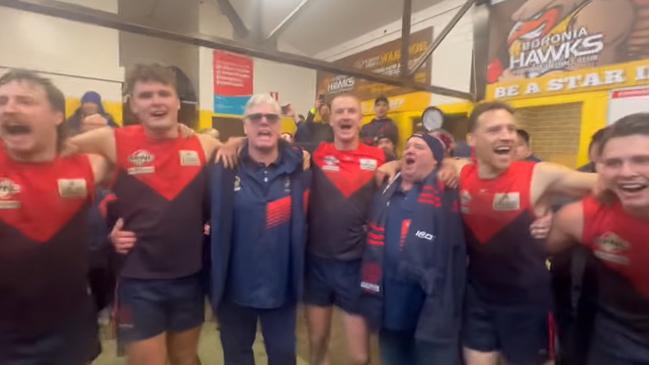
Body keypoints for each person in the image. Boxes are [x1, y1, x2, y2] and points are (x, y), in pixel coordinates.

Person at [376, 101, 596, 365]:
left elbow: (606, 186)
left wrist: (557, 216)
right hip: (478, 302)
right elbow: (427, 160)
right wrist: (392, 165)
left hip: (527, 305)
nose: (506, 136)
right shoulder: (460, 170)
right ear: (472, 139)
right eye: (494, 130)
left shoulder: (540, 175)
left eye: (511, 129)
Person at [71, 63, 222, 365]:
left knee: (186, 358)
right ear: (133, 104)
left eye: (164, 93)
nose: (156, 101)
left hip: (189, 280)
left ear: (178, 102)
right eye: (146, 95)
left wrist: (300, 153)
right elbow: (57, 150)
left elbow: (237, 149)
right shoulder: (112, 141)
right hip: (138, 283)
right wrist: (107, 231)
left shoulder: (202, 144)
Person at [0, 69, 110, 364]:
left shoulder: (86, 165)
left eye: (25, 100)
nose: (9, 107)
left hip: (69, 327)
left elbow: (122, 146)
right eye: (2, 101)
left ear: (57, 115)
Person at [209, 94, 310, 365]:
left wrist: (392, 164)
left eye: (271, 118)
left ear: (281, 125)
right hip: (234, 288)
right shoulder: (223, 167)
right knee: (237, 357)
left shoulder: (301, 168)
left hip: (282, 288)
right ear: (245, 126)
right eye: (256, 118)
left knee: (283, 357)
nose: (264, 123)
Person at [547, 113, 649, 364]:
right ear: (600, 168)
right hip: (616, 344)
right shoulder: (586, 215)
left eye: (642, 160)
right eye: (614, 163)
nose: (626, 172)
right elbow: (530, 249)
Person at [360, 133, 466, 365]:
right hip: (390, 307)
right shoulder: (386, 188)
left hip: (432, 307)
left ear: (436, 160)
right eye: (407, 147)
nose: (410, 150)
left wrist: (450, 164)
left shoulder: (448, 191)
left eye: (419, 147)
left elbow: (474, 166)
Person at [304, 93, 386, 365]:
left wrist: (395, 164)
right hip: (317, 263)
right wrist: (235, 142)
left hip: (356, 267)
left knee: (360, 356)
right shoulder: (317, 153)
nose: (346, 116)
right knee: (316, 344)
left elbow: (414, 169)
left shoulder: (378, 158)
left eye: (352, 111)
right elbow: (268, 144)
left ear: (361, 119)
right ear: (330, 118)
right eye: (340, 112)